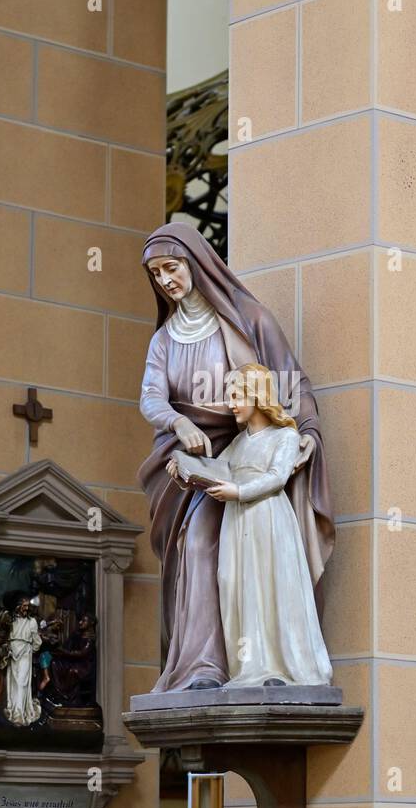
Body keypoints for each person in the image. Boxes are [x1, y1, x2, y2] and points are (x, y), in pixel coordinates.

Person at [138, 222, 334, 692]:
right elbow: (150, 398)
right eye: (156, 273)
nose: (165, 280)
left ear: (197, 263)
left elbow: (292, 381)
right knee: (198, 548)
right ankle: (203, 667)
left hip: (244, 449)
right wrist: (178, 424)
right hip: (193, 456)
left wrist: (306, 428)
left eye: (172, 267)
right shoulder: (164, 339)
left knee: (232, 552)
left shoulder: (250, 320)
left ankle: (258, 663)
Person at [167, 365, 332, 688]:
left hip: (267, 521)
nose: (232, 404)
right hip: (237, 521)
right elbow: (216, 469)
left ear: (257, 396)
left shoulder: (285, 436)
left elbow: (277, 478)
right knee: (234, 585)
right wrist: (185, 474)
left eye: (237, 396)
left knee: (267, 586)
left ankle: (275, 668)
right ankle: (247, 668)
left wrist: (238, 492)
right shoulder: (240, 443)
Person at [3, 597, 43, 726]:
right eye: (24, 606)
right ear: (17, 606)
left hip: (25, 652)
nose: (26, 608)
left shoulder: (32, 622)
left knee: (22, 682)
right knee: (13, 683)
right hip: (12, 653)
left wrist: (31, 650)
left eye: (27, 606)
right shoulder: (11, 621)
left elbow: (36, 641)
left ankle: (19, 714)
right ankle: (14, 710)